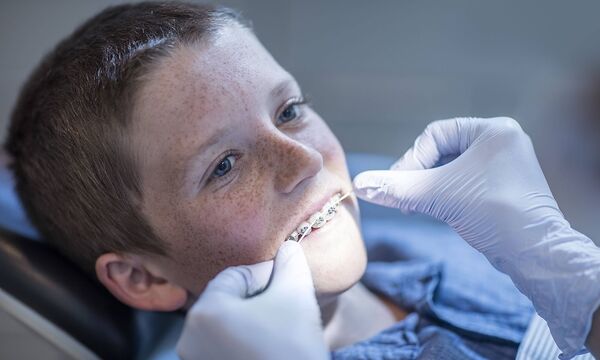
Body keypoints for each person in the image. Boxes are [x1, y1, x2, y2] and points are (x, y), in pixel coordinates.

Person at [5, 2, 543, 359]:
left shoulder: (428, 246)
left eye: (288, 111)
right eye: (223, 165)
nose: (304, 159)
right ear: (144, 278)